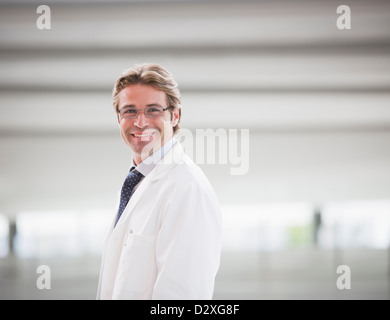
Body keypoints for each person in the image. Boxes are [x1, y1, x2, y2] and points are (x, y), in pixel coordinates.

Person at [96, 63, 222, 300]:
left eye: (153, 110)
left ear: (174, 116)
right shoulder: (137, 182)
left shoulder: (186, 188)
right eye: (130, 111)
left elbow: (182, 298)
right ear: (118, 118)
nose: (141, 122)